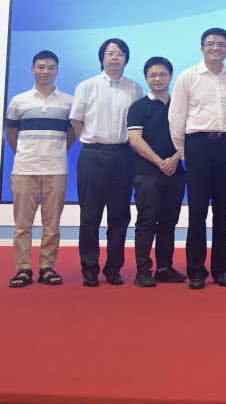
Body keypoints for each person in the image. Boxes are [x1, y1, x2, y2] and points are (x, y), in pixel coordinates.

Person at [169, 28, 226, 289]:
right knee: (198, 211)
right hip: (197, 145)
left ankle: (222, 270)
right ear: (202, 48)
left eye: (221, 44)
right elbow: (176, 117)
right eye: (210, 43)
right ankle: (196, 271)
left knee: (223, 211)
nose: (215, 48)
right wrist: (185, 153)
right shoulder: (187, 76)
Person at [70, 39, 143, 287]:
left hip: (124, 155)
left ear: (126, 58)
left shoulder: (134, 88)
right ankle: (89, 268)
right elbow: (76, 120)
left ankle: (114, 268)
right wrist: (88, 144)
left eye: (120, 54)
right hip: (93, 155)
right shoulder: (86, 86)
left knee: (120, 215)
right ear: (102, 57)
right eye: (110, 53)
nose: (115, 58)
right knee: (90, 215)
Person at [5, 50, 76, 287]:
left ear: (57, 71)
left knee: (52, 225)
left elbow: (71, 134)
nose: (46, 71)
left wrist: (54, 152)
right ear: (33, 69)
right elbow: (11, 134)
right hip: (24, 170)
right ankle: (23, 269)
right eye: (41, 67)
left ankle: (47, 267)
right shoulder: (19, 100)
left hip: (56, 169)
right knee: (22, 225)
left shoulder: (68, 102)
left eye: (51, 67)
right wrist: (27, 154)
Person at [126, 57, 187, 287]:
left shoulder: (181, 106)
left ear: (171, 76)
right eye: (153, 75)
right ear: (146, 78)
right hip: (147, 174)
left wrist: (175, 158)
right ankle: (143, 271)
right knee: (146, 222)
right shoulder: (138, 107)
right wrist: (161, 162)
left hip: (176, 172)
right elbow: (135, 140)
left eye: (162, 74)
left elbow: (189, 136)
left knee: (168, 222)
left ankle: (164, 268)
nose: (158, 79)